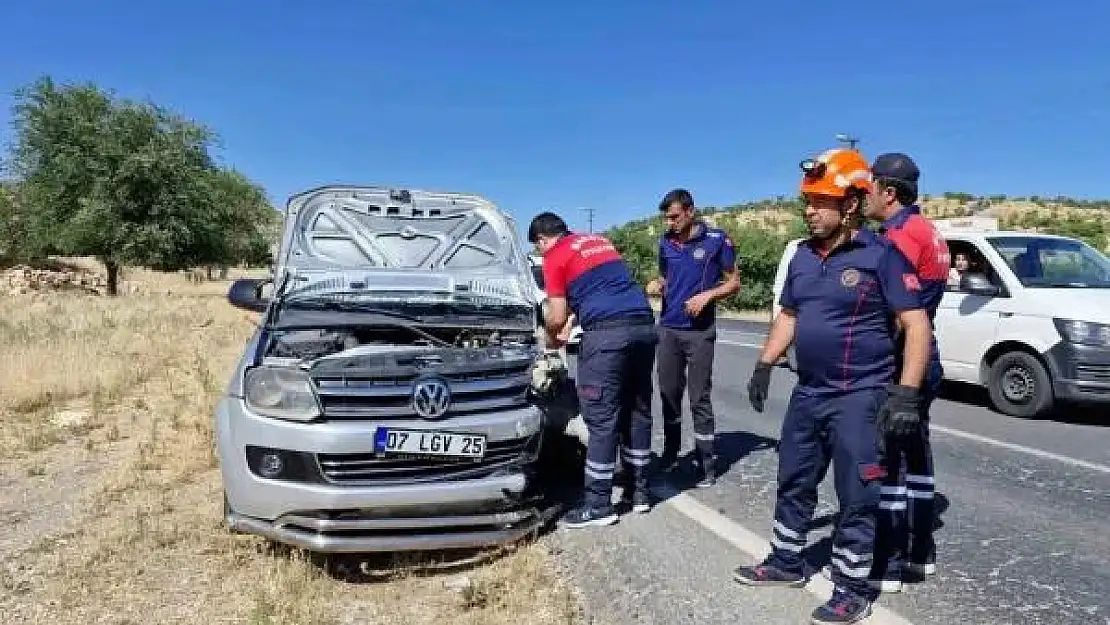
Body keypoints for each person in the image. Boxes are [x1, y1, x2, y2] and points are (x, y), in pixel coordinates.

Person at [733, 147, 932, 625]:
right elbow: (790, 315)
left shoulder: (882, 255)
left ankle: (852, 587)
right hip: (810, 391)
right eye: (807, 201)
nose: (809, 211)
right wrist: (765, 362)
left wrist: (905, 394)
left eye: (820, 202)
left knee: (857, 492)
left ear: (850, 205)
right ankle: (786, 562)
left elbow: (917, 325)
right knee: (794, 477)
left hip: (861, 396)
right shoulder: (801, 257)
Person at [529, 211, 659, 527]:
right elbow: (599, 289)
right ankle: (638, 493)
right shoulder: (599, 242)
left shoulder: (554, 255)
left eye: (537, 247)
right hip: (643, 327)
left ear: (543, 239)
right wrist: (574, 316)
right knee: (637, 411)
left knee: (601, 418)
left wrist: (550, 340)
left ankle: (598, 506)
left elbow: (557, 316)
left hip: (607, 336)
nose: (539, 253)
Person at [863, 152, 950, 591]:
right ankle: (920, 551)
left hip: (904, 359)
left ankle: (890, 560)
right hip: (927, 353)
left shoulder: (898, 237)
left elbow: (903, 314)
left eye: (869, 188)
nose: (864, 196)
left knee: (890, 456)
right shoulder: (928, 231)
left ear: (889, 192)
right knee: (917, 453)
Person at [645, 189, 741, 487]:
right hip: (669, 330)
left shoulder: (716, 241)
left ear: (690, 211)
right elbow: (666, 277)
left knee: (699, 396)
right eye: (666, 218)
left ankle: (705, 461)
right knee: (669, 394)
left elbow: (734, 282)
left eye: (674, 216)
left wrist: (708, 295)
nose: (669, 222)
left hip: (700, 332)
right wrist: (657, 283)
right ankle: (671, 453)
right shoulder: (665, 242)